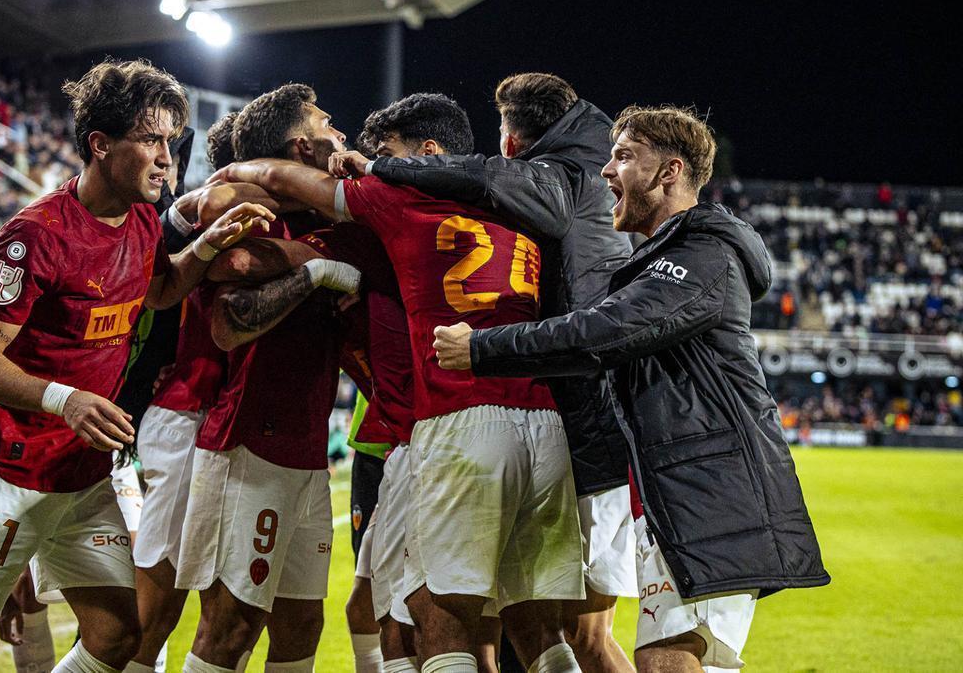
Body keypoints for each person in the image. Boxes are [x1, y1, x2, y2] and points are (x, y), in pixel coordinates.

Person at [431, 105, 831, 672]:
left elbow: (604, 331)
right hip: (684, 491)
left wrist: (481, 349)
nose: (605, 172)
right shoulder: (664, 257)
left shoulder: (702, 254)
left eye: (622, 157)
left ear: (669, 172)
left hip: (711, 495)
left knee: (666, 659)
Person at [0, 59, 270, 673]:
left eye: (172, 143)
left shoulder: (141, 221)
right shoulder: (34, 237)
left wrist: (209, 246)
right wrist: (65, 400)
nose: (167, 158)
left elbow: (159, 291)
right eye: (152, 140)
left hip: (80, 475)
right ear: (100, 146)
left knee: (117, 635)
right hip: (7, 467)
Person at [215, 118, 587, 673]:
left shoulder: (398, 206)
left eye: (384, 153)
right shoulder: (524, 213)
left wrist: (223, 177)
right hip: (541, 422)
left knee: (427, 620)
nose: (367, 161)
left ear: (428, 154)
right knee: (535, 625)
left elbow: (249, 245)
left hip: (453, 425)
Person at [332, 73, 636, 671]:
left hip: (516, 419)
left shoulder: (546, 185)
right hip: (555, 422)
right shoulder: (551, 193)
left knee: (445, 617)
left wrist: (372, 172)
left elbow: (306, 190)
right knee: (527, 620)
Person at [172, 83, 348, 673]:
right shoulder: (250, 213)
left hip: (304, 451)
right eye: (328, 123)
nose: (341, 133)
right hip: (248, 443)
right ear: (300, 146)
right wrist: (316, 272)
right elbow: (227, 323)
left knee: (302, 625)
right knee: (229, 630)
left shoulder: (319, 216)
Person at [127, 111, 237, 673]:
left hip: (225, 426)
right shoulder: (204, 217)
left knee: (215, 608)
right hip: (182, 415)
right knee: (155, 607)